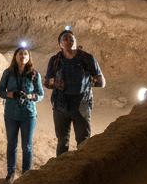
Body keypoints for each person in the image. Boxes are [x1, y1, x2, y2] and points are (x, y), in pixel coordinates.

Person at [44, 27, 106, 155]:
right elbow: (47, 82)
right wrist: (55, 82)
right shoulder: (55, 60)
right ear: (60, 44)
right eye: (65, 39)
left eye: (71, 38)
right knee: (62, 142)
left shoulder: (87, 58)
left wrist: (88, 82)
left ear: (75, 41)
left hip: (81, 105)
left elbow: (101, 82)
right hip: (60, 106)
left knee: (84, 142)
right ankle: (60, 171)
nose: (68, 40)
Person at [0, 45, 44, 184]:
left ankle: (26, 175)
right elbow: (0, 91)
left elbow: (41, 95)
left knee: (27, 146)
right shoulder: (8, 73)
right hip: (11, 114)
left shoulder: (35, 74)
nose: (22, 56)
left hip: (28, 115)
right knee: (11, 144)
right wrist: (10, 94)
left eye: (25, 54)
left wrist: (29, 95)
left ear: (29, 57)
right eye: (19, 54)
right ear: (15, 57)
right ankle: (10, 174)